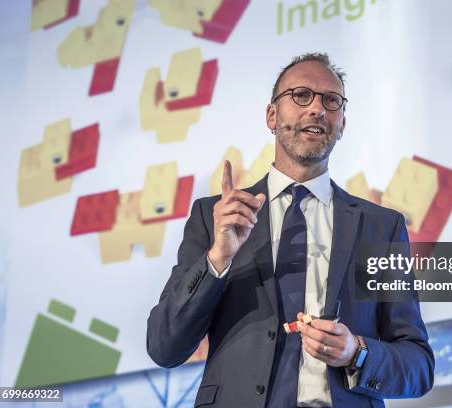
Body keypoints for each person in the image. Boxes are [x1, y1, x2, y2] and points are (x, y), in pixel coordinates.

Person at [147, 52, 434, 408]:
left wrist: (356, 353)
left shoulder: (379, 227)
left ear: (342, 123)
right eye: (301, 95)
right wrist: (217, 258)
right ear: (272, 115)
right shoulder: (215, 217)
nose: (317, 109)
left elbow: (418, 365)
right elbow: (164, 347)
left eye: (331, 101)